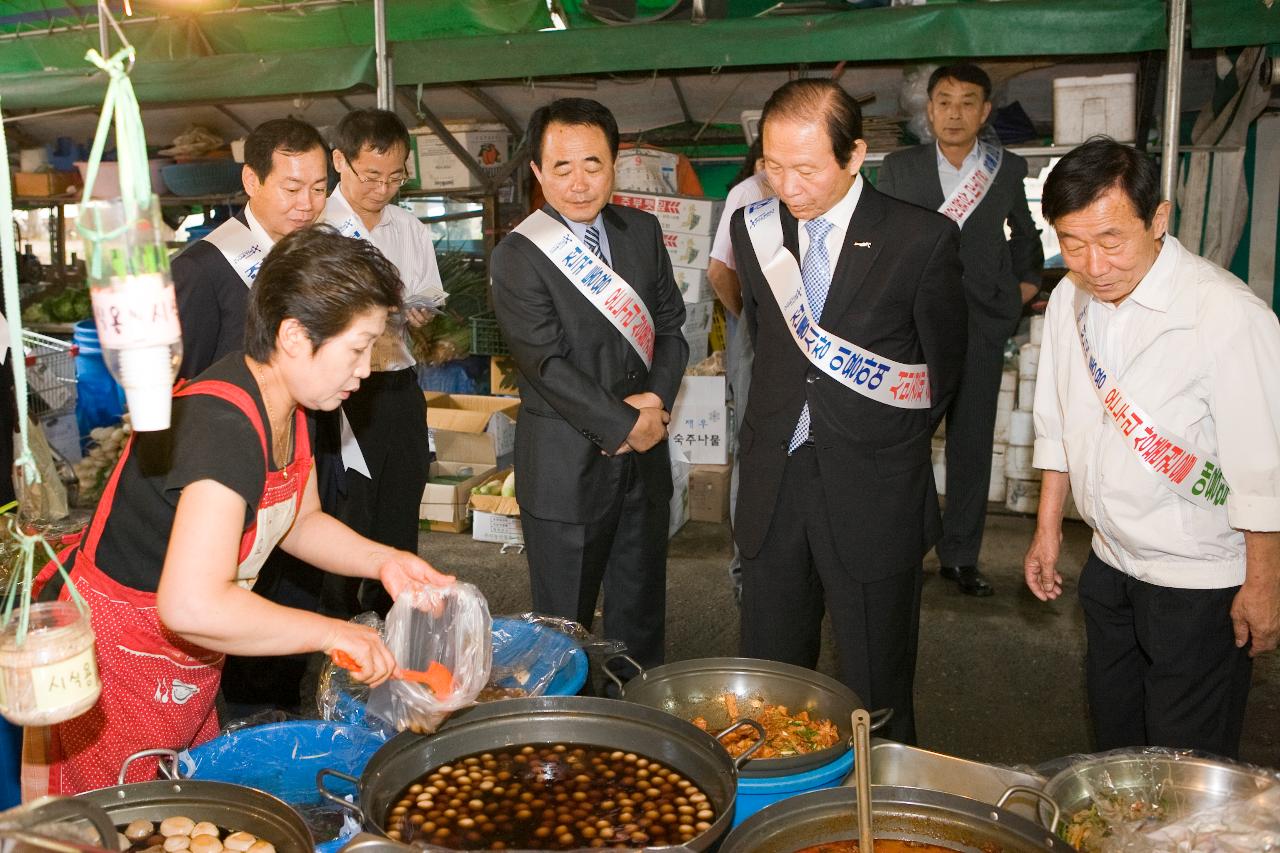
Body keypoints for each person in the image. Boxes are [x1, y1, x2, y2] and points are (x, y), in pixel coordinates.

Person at [23, 227, 452, 796]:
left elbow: (298, 521)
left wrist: (384, 562)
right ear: (295, 336)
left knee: (180, 808)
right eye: (357, 347)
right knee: (111, 818)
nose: (366, 369)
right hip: (120, 666)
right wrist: (332, 633)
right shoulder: (223, 427)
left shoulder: (287, 402)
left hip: (188, 660)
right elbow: (191, 605)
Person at [1023, 138, 1280, 759]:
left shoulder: (1224, 313)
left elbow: (1262, 466)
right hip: (1111, 565)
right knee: (1118, 748)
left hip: (1197, 580)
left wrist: (1265, 582)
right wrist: (1048, 529)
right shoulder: (1070, 298)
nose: (1093, 264)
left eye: (1111, 240)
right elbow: (1058, 418)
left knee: (1184, 760)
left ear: (1158, 220)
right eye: (1072, 242)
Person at [730, 79, 966, 744]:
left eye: (805, 168)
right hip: (775, 481)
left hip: (873, 487)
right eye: (772, 167)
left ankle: (879, 820)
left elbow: (941, 373)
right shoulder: (755, 231)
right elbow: (769, 347)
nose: (787, 186)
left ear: (855, 154)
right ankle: (776, 815)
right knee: (770, 679)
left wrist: (881, 443)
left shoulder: (921, 239)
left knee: (876, 684)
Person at [490, 98, 688, 674]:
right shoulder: (518, 255)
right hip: (564, 466)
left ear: (615, 163)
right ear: (537, 173)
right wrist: (626, 425)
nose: (578, 183)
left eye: (593, 165)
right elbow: (544, 364)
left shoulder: (642, 231)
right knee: (562, 627)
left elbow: (672, 327)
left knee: (640, 614)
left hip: (644, 456)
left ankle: (637, 728)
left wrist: (655, 401)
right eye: (561, 168)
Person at [878, 63, 1043, 597]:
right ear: (929, 110)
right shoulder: (899, 167)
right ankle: (900, 548)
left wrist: (1014, 298)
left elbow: (1026, 242)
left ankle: (961, 557)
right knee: (906, 443)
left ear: (985, 111)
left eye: (967, 102)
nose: (955, 113)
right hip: (913, 330)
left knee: (972, 445)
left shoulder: (1008, 167)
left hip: (980, 328)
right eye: (944, 101)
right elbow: (880, 241)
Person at [321, 108, 446, 617]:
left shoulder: (410, 228)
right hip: (341, 391)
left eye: (395, 177)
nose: (382, 189)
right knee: (347, 510)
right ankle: (333, 628)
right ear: (340, 162)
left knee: (400, 503)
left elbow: (432, 299)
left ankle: (395, 620)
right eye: (370, 176)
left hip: (397, 384)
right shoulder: (319, 227)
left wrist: (421, 314)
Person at [172, 118, 329, 380]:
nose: (307, 204)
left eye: (319, 189)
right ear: (251, 181)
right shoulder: (201, 269)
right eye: (292, 188)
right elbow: (185, 384)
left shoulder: (320, 254)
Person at [707, 139, 773, 603]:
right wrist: (745, 320)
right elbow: (718, 272)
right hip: (756, 334)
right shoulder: (749, 193)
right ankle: (744, 573)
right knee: (753, 447)